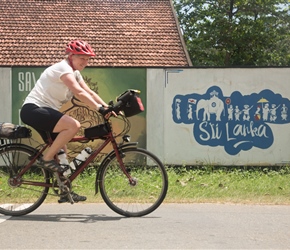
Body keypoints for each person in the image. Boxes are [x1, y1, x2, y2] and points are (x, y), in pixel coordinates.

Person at [20, 40, 109, 203]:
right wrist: (99, 109)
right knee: (73, 125)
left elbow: (88, 91)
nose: (85, 62)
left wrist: (107, 107)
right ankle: (46, 159)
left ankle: (64, 191)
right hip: (33, 110)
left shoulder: (75, 73)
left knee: (62, 153)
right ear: (71, 55)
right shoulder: (63, 69)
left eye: (88, 59)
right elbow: (79, 92)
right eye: (81, 57)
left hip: (44, 111)